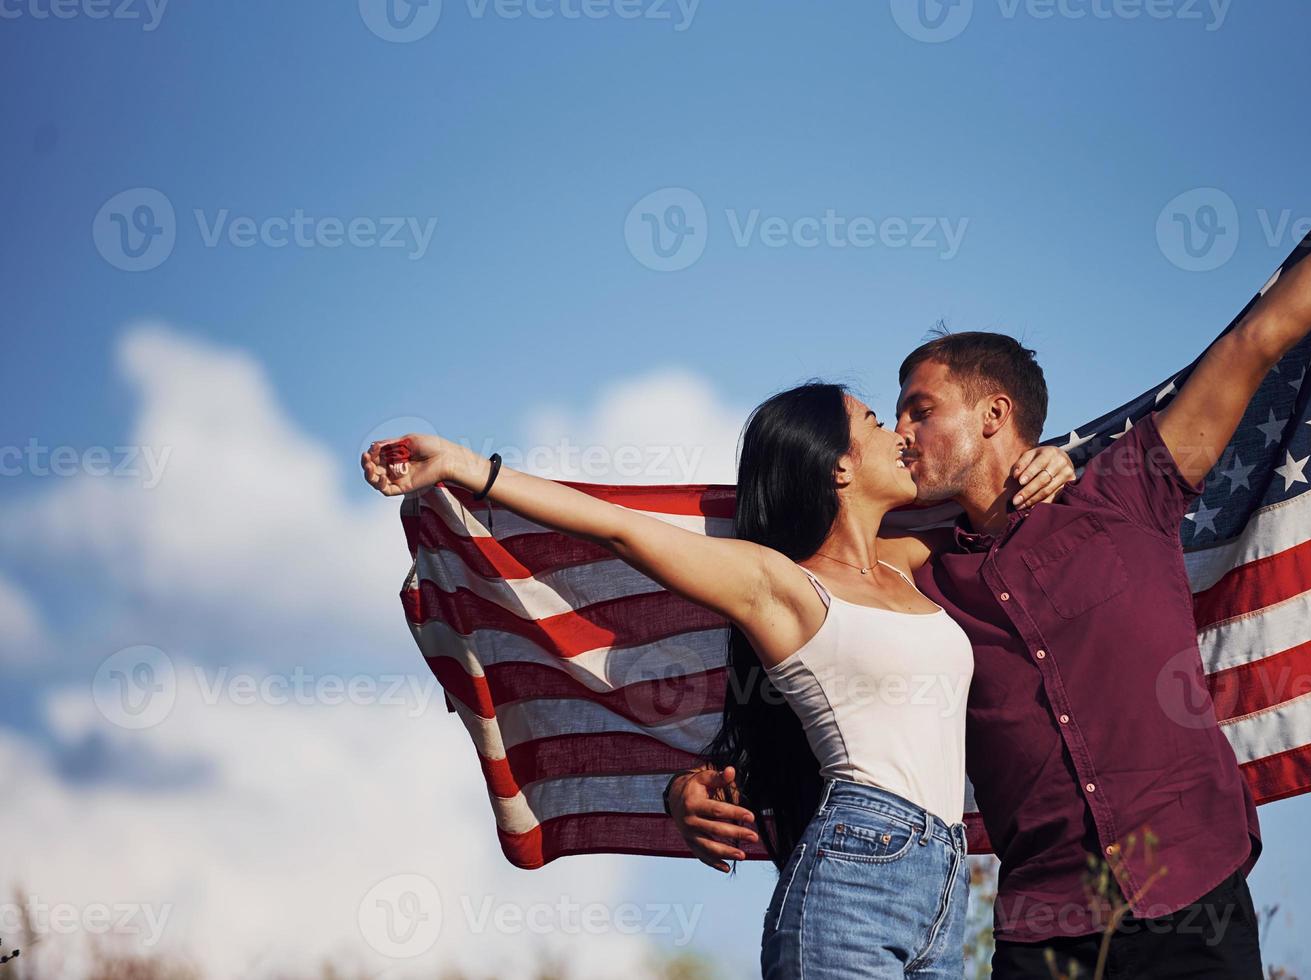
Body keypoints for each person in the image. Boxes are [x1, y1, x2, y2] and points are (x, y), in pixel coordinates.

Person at [670, 134, 1311, 978]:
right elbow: (814, 628)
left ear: (994, 415)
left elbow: (1254, 342)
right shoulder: (917, 576)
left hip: (1194, 891)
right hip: (1043, 932)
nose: (901, 433)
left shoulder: (1128, 487)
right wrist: (704, 775)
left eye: (920, 410)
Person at [360, 383, 1078, 978]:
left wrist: (1057, 464)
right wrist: (463, 466)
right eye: (873, 420)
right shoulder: (780, 585)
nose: (898, 433)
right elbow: (621, 531)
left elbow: (1004, 502)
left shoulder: (911, 559)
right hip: (855, 873)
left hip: (944, 889)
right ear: (837, 466)